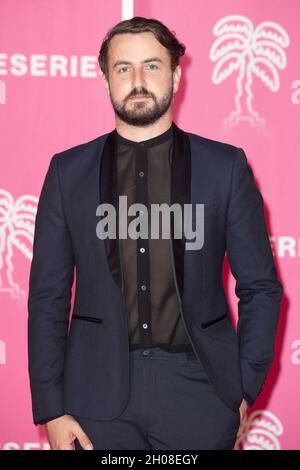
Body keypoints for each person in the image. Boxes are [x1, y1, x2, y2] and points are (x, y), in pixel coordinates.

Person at [27, 17, 283, 450]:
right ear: (106, 80)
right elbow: (48, 296)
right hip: (95, 394)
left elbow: (261, 287)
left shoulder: (225, 168)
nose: (138, 80)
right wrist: (51, 407)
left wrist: (242, 387)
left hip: (200, 390)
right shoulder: (67, 173)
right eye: (124, 68)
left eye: (151, 65)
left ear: (176, 75)